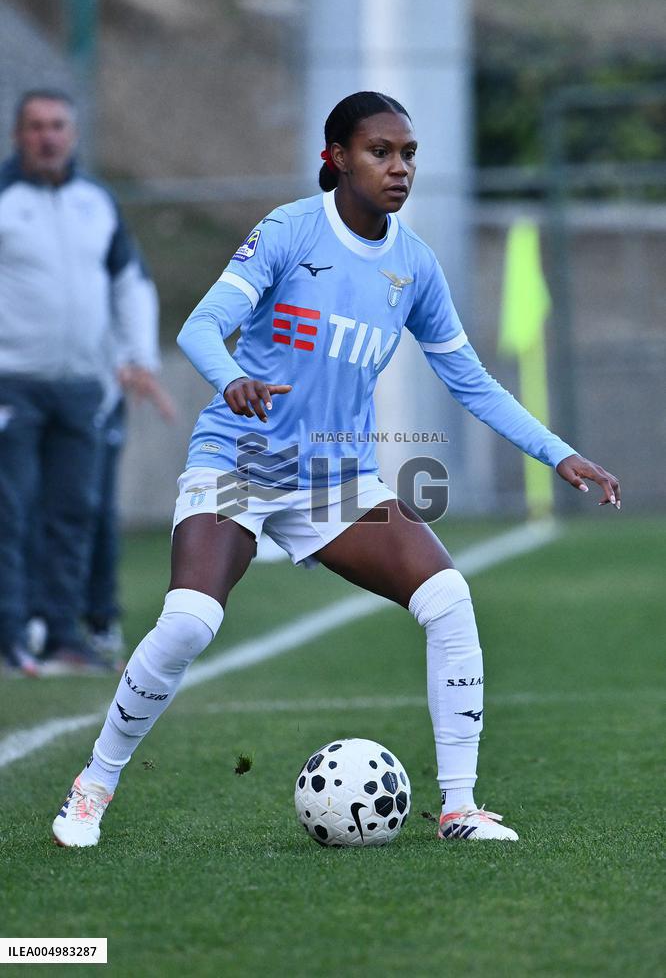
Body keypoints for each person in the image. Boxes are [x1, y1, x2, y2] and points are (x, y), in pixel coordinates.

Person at [52, 91, 620, 847]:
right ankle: (93, 785)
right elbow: (201, 327)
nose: (399, 167)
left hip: (336, 480)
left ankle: (459, 808)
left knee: (448, 599)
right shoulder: (289, 230)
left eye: (408, 154)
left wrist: (559, 452)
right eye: (380, 152)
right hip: (241, 459)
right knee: (189, 622)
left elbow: (472, 382)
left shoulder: (414, 266)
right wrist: (233, 380)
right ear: (337, 158)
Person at [0, 88, 165, 675]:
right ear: (18, 135)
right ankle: (9, 633)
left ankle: (62, 634)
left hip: (83, 387)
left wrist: (139, 356)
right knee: (10, 511)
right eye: (35, 126)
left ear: (72, 135)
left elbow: (130, 281)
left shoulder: (97, 202)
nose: (47, 136)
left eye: (57, 126)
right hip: (11, 384)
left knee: (74, 511)